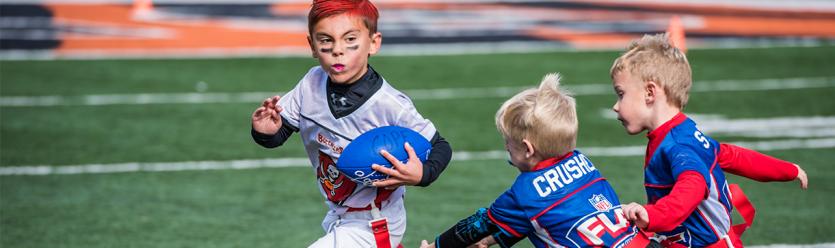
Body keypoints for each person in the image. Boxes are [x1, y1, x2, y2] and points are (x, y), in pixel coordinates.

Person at [250, 1, 453, 247]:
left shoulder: (389, 103)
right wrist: (265, 131)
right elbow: (280, 132)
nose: (338, 50)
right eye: (326, 40)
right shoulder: (311, 82)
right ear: (312, 46)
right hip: (340, 214)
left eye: (350, 40)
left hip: (377, 220)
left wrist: (423, 174)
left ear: (373, 43)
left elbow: (440, 145)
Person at [610, 33, 809, 248]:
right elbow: (732, 156)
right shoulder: (681, 132)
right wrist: (787, 170)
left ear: (650, 92)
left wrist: (652, 215)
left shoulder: (678, 145)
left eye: (621, 94)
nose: (616, 106)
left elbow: (693, 186)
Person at [420, 73, 640, 248]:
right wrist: (489, 241)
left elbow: (477, 225)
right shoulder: (582, 161)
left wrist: (435, 246)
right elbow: (534, 220)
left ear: (527, 149)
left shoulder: (525, 193)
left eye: (509, 142)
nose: (506, 146)